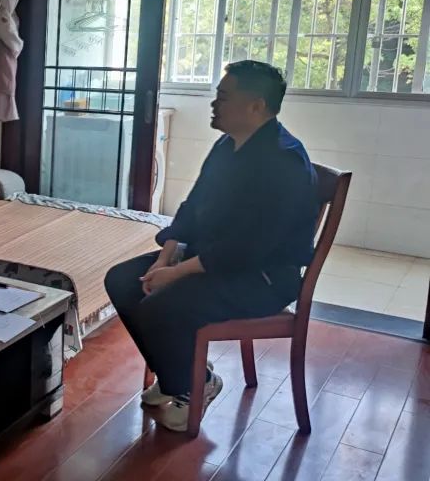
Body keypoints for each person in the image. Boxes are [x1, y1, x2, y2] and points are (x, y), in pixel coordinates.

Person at [104, 60, 320, 432]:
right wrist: (164, 259)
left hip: (262, 278)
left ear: (256, 106)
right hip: (214, 261)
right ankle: (181, 375)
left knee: (160, 306)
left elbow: (246, 249)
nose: (213, 104)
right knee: (123, 280)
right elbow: (192, 206)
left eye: (223, 96)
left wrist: (177, 273)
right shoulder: (227, 144)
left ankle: (193, 384)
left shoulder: (283, 161)